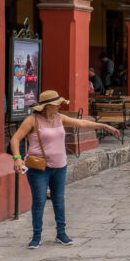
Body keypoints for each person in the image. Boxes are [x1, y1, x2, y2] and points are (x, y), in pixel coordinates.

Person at [10, 91, 120, 248]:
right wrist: (17, 158)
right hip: (39, 168)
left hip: (60, 166)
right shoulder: (32, 120)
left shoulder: (59, 118)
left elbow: (80, 123)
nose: (59, 106)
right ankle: (36, 236)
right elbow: (15, 138)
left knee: (59, 199)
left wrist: (104, 126)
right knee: (40, 200)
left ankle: (61, 234)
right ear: (47, 106)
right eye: (56, 104)